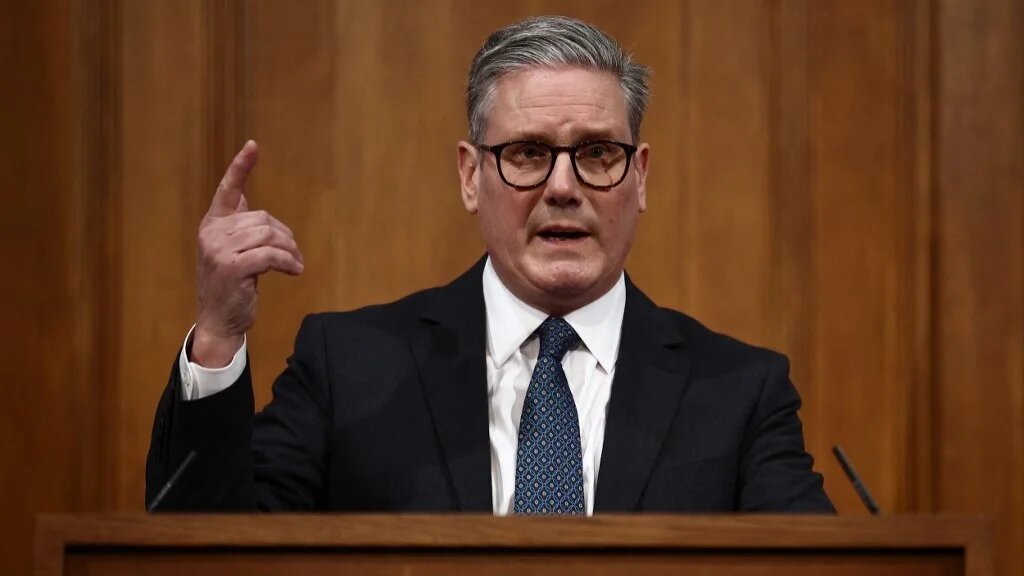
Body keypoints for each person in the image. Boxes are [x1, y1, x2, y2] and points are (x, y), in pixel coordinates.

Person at [146, 15, 833, 514]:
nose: (563, 187)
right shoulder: (350, 370)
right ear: (471, 176)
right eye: (529, 152)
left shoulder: (741, 393)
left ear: (640, 176)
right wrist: (217, 335)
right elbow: (210, 551)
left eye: (597, 153)